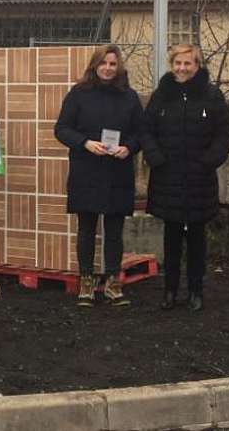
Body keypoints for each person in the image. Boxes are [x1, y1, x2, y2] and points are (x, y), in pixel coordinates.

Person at [140, 44, 229, 312]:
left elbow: (224, 133)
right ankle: (169, 290)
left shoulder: (211, 96)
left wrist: (208, 162)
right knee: (170, 238)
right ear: (172, 65)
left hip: (199, 180)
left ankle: (196, 291)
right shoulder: (161, 96)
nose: (182, 68)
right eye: (178, 63)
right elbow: (146, 130)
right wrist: (155, 157)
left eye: (188, 64)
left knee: (196, 239)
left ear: (197, 65)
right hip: (166, 178)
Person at [55, 45, 143, 307]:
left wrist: (129, 147)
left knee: (115, 231)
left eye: (113, 64)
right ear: (95, 66)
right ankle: (86, 282)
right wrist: (84, 143)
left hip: (118, 170)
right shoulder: (78, 94)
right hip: (87, 169)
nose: (108, 68)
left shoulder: (129, 97)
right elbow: (61, 129)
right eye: (103, 63)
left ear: (119, 67)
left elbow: (141, 132)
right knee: (86, 229)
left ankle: (113, 282)